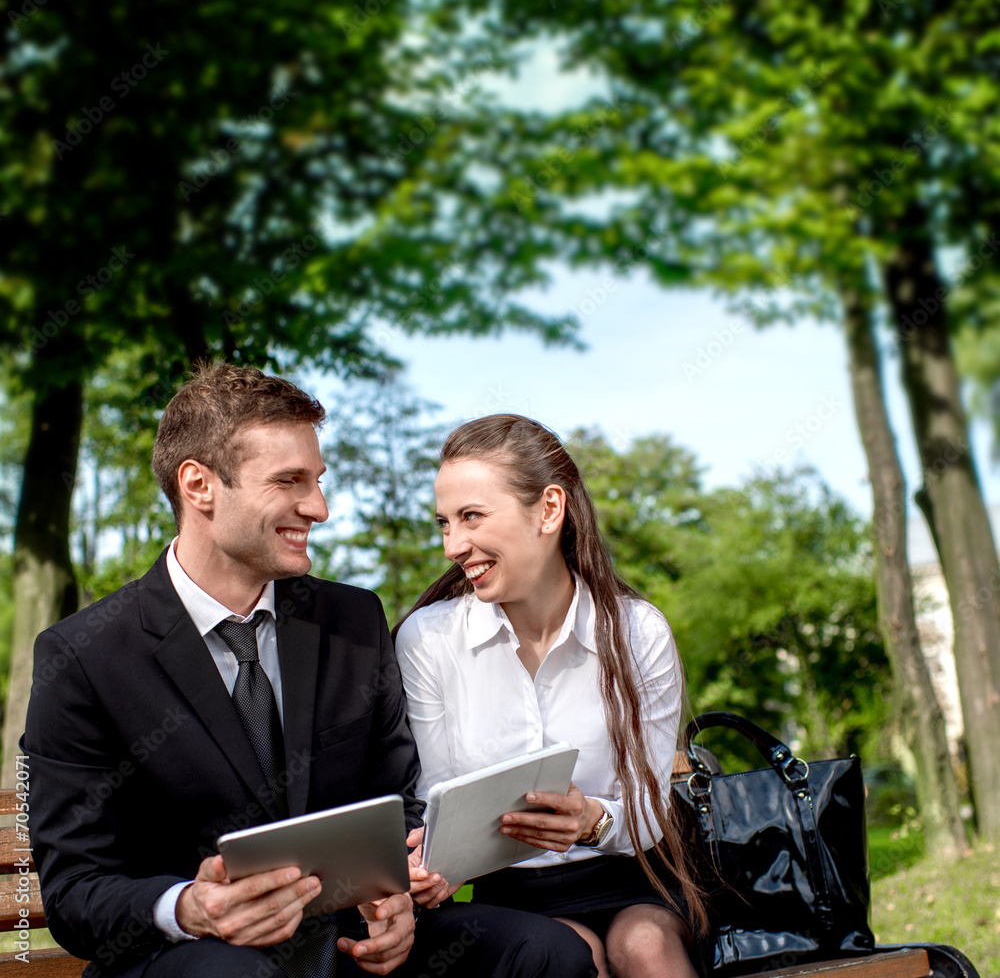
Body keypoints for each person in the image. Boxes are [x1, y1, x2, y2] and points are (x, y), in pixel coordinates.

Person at [22, 365, 596, 978]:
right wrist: (193, 908)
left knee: (546, 953)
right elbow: (74, 892)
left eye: (318, 480)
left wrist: (394, 897)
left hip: (349, 945)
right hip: (190, 959)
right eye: (290, 481)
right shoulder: (83, 657)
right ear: (199, 486)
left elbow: (399, 805)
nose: (318, 508)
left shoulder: (353, 620)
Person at [395, 414, 708, 978]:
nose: (452, 545)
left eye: (471, 517)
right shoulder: (428, 640)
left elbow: (649, 812)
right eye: (444, 523)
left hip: (635, 880)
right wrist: (435, 864)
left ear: (549, 510)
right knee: (568, 951)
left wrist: (591, 821)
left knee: (644, 946)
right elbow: (437, 794)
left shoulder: (638, 633)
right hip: (511, 898)